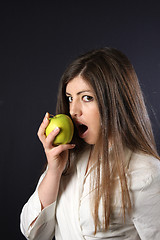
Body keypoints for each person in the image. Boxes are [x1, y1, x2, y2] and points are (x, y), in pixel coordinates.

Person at [20, 47, 160, 240]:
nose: (73, 110)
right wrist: (54, 170)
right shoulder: (67, 160)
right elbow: (34, 233)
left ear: (115, 102)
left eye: (87, 97)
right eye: (70, 98)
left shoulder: (146, 173)